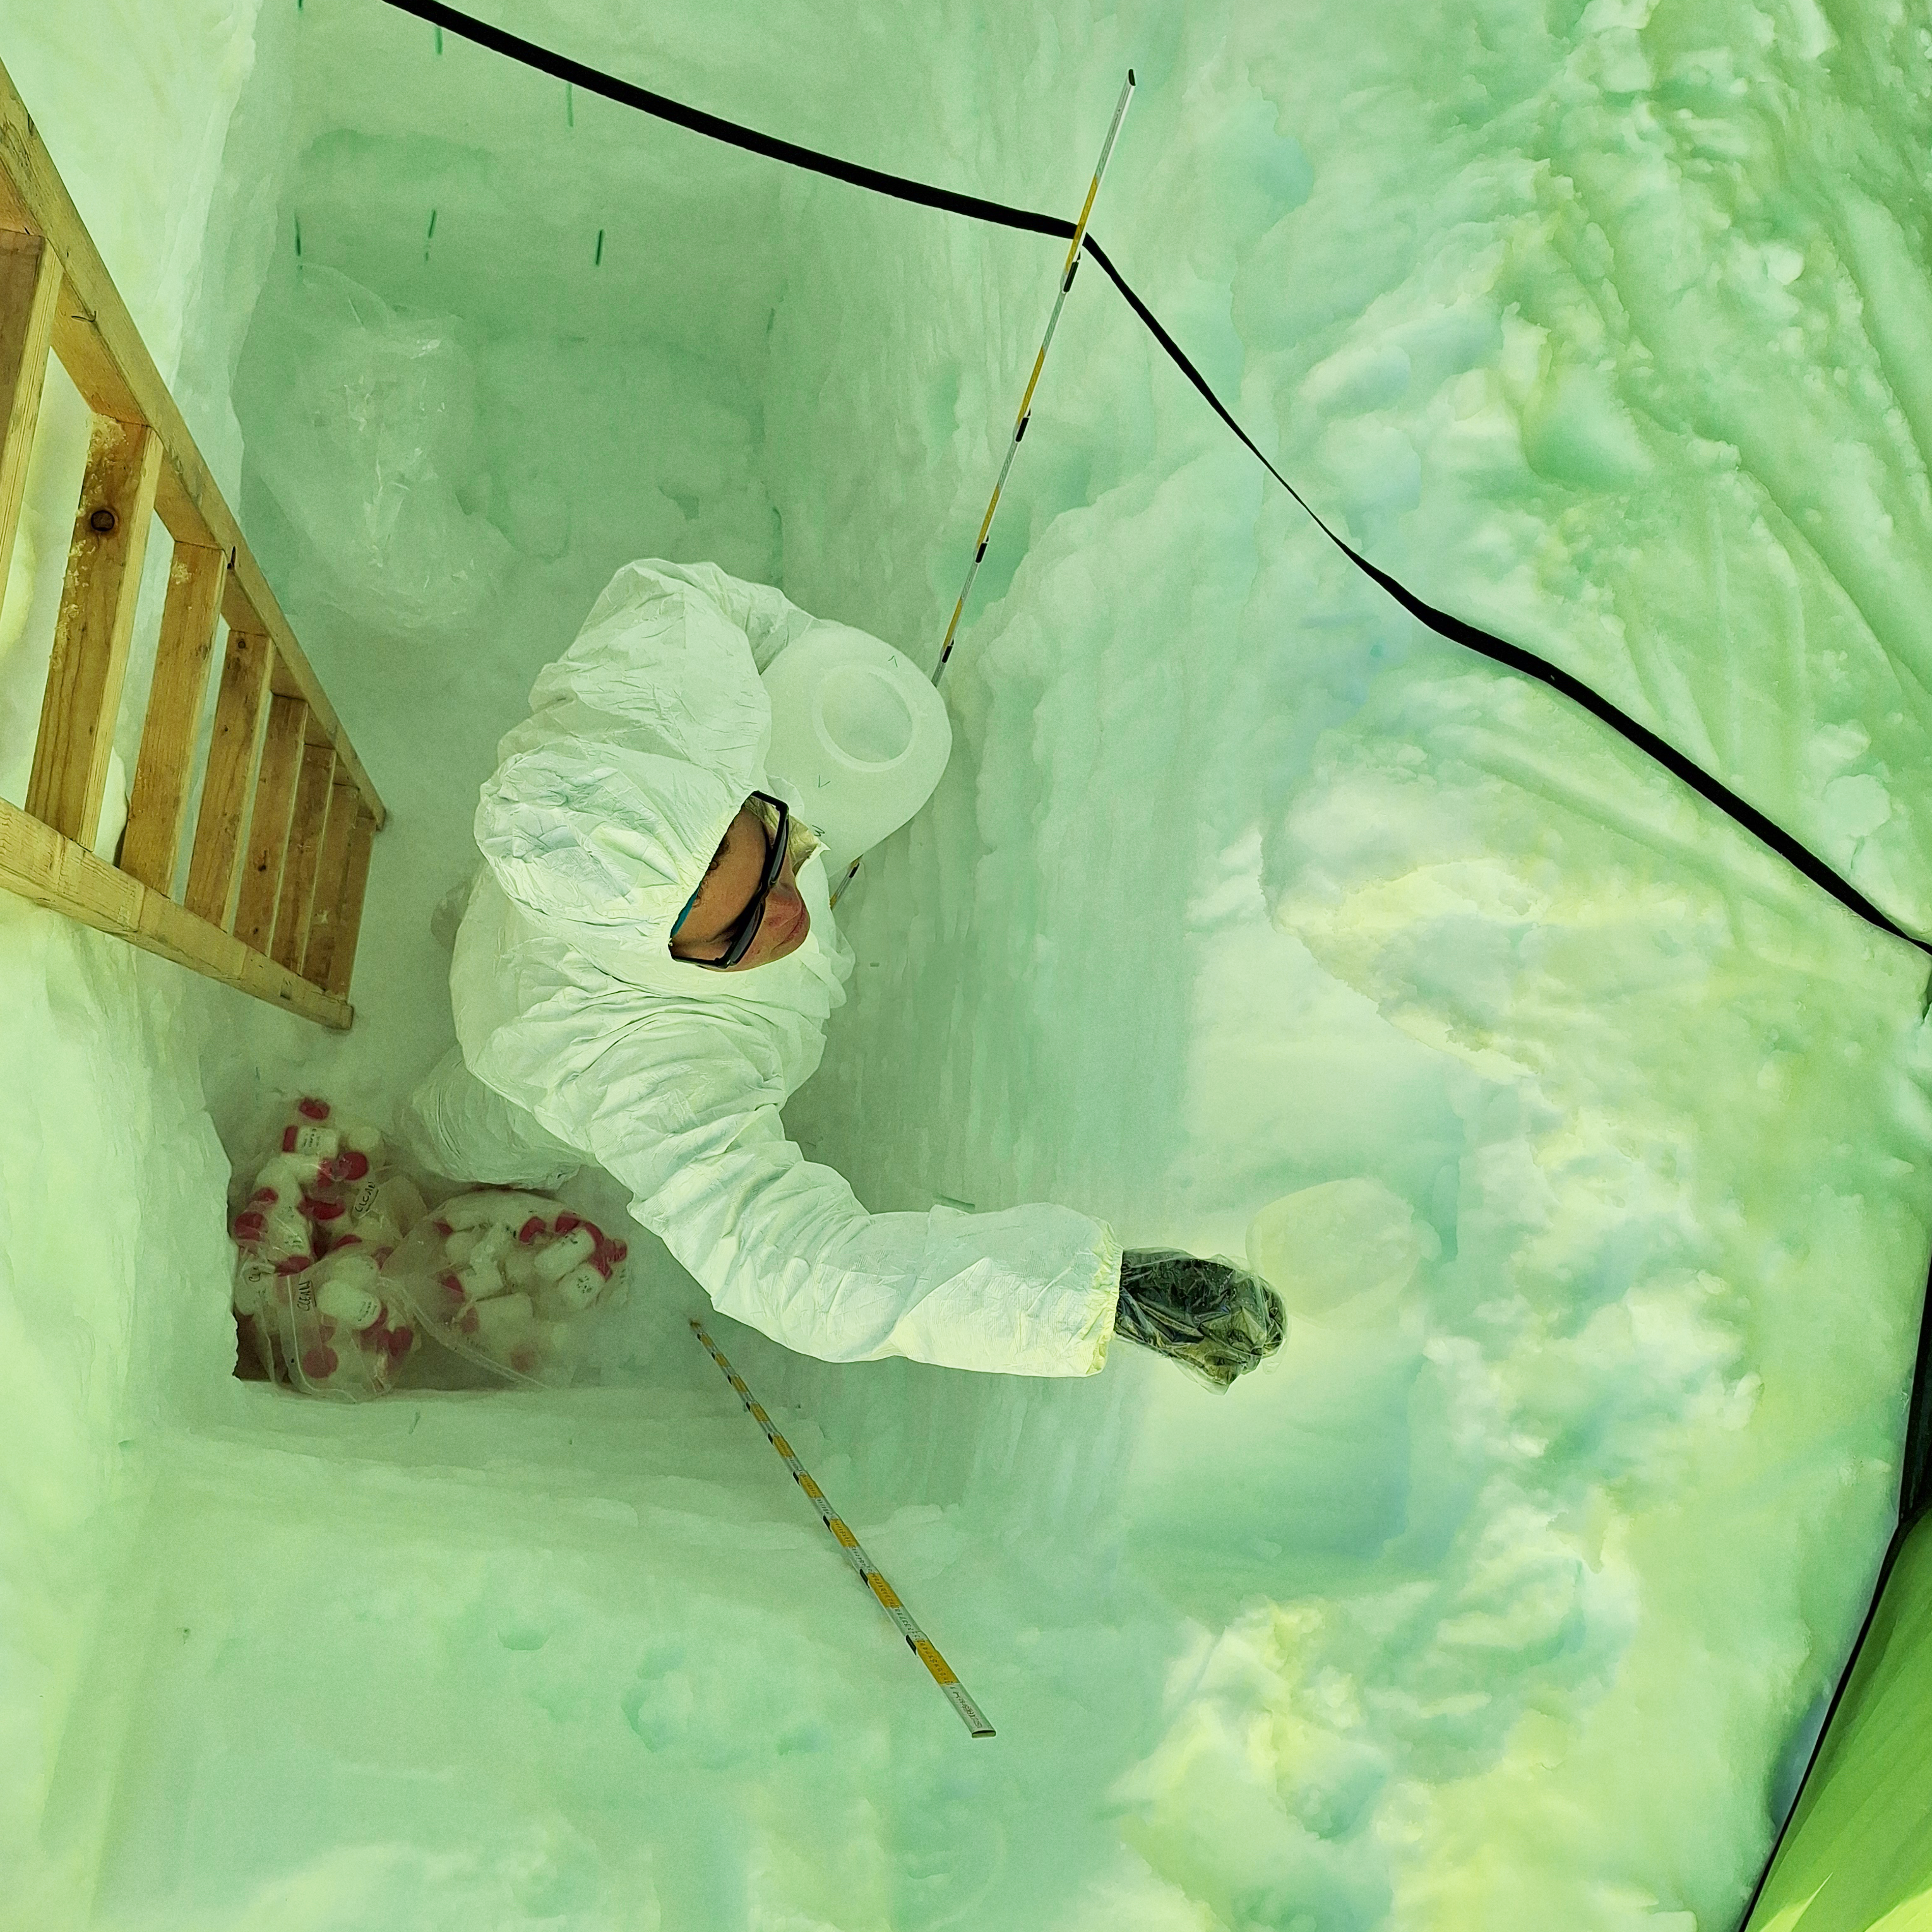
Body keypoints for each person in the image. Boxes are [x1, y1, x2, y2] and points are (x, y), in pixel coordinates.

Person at [402, 559, 1282, 1387]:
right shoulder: (634, 1073)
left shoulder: (652, 729)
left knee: (489, 923)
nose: (792, 910)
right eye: (742, 929)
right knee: (468, 1133)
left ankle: (462, 922)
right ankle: (421, 1146)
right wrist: (1093, 1299)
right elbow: (789, 1265)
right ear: (658, 951)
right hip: (523, 1056)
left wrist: (801, 654)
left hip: (526, 915)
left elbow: (679, 595)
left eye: (777, 853)